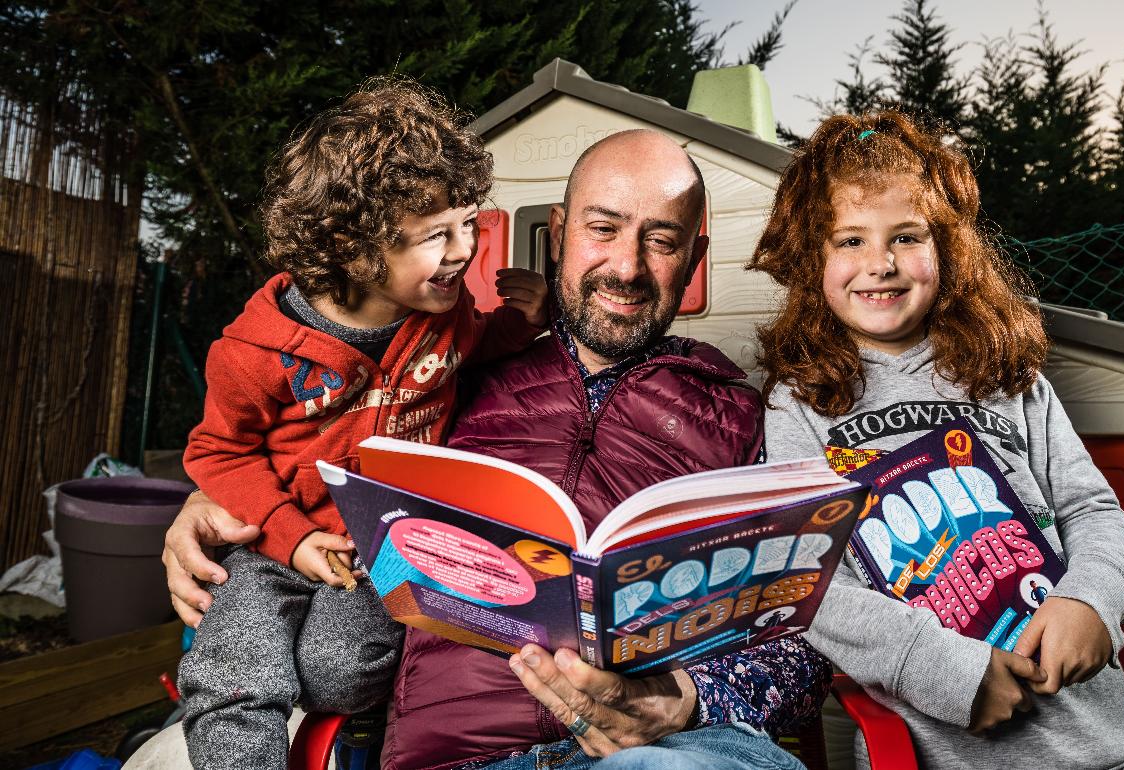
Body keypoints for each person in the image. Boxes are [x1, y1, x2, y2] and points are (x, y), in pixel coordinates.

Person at [156, 130, 829, 770]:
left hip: (667, 751)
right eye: (604, 228)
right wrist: (207, 498)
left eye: (662, 241)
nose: (626, 267)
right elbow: (302, 446)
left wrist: (683, 701)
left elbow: (808, 645)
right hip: (454, 755)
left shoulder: (752, 416)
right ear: (560, 236)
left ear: (694, 257)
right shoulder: (442, 383)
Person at [748, 111, 1124, 769]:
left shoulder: (1008, 378)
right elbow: (804, 577)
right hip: (942, 751)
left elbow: (1094, 511)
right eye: (849, 239)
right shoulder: (799, 405)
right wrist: (940, 668)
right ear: (809, 258)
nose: (880, 264)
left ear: (947, 247)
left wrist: (1093, 599)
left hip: (1096, 742)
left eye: (906, 236)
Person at [176, 79, 548, 770]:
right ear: (351, 243)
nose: (465, 250)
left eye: (471, 224)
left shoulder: (445, 313)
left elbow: (476, 344)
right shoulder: (253, 353)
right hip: (269, 547)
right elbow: (218, 455)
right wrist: (292, 539)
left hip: (376, 553)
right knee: (239, 675)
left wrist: (522, 324)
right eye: (439, 235)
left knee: (347, 670)